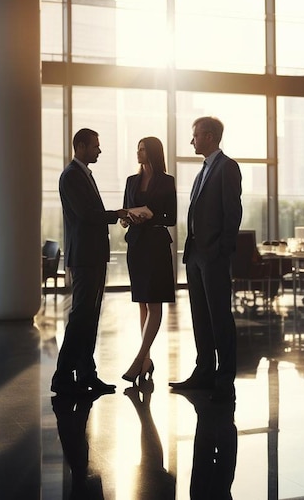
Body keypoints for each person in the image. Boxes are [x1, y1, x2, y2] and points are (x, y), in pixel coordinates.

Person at [51, 128, 129, 396]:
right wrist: (115, 214)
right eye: (95, 145)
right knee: (81, 316)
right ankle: (62, 375)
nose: (99, 150)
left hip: (92, 255)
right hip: (85, 256)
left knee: (90, 316)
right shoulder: (72, 175)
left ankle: (86, 373)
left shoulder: (82, 174)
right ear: (81, 146)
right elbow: (86, 214)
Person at [169, 116, 242, 403]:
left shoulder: (227, 167)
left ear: (210, 137)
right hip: (196, 255)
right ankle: (204, 372)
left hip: (212, 255)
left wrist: (221, 250)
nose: (192, 140)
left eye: (196, 135)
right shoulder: (203, 171)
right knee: (200, 317)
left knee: (220, 318)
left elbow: (232, 212)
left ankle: (225, 378)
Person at [121, 137, 176, 383]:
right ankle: (146, 360)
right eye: (137, 148)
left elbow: (171, 217)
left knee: (154, 303)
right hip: (136, 245)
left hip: (155, 245)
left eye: (142, 149)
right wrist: (127, 218)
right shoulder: (131, 181)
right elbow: (125, 211)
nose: (138, 153)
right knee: (142, 302)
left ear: (152, 152)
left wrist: (150, 216)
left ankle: (138, 358)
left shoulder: (166, 181)